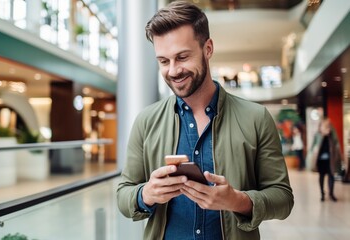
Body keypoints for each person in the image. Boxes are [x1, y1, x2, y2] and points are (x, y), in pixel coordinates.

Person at [116, 1, 294, 239]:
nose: (173, 70)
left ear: (208, 48)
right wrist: (146, 194)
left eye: (182, 57)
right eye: (164, 61)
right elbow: (123, 195)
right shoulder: (146, 122)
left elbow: (283, 198)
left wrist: (238, 200)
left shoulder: (256, 118)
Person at [308, 118, 343, 202]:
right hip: (320, 161)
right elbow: (313, 147)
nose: (326, 128)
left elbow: (337, 144)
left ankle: (331, 193)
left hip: (330, 160)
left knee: (331, 176)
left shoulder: (332, 135)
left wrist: (340, 156)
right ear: (320, 127)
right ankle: (322, 193)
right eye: (324, 126)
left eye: (328, 126)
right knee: (321, 176)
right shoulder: (318, 135)